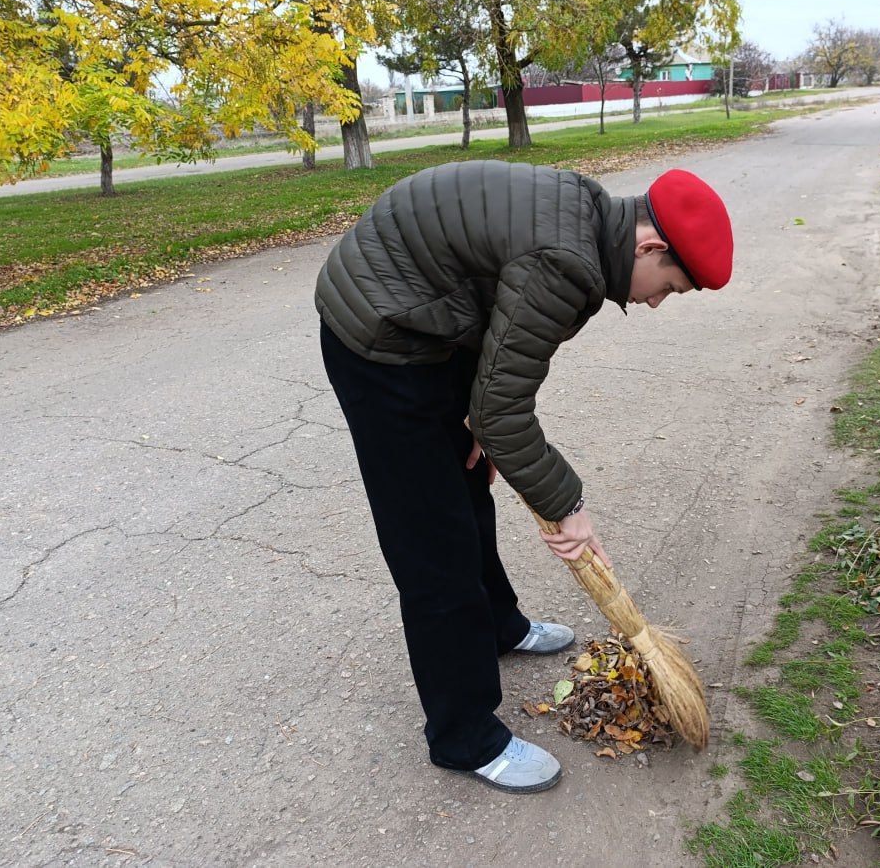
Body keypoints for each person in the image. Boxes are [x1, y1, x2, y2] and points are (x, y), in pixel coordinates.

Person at [314, 159, 733, 794]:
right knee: (434, 542)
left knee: (470, 481)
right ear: (649, 246)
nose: (654, 302)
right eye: (669, 287)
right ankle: (464, 736)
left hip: (436, 319)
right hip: (382, 338)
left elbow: (503, 354)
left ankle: (501, 626)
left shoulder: (592, 225)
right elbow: (503, 408)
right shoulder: (568, 261)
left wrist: (487, 418)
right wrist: (569, 507)